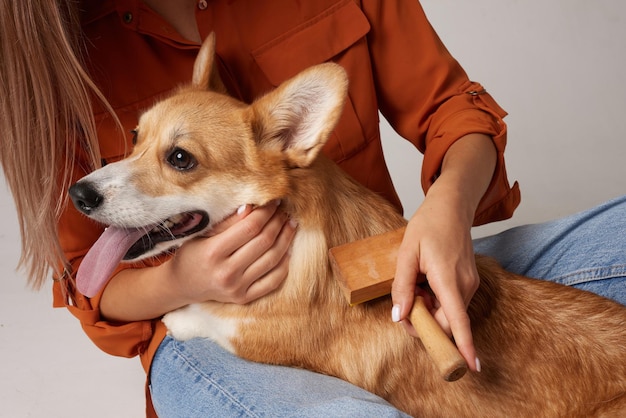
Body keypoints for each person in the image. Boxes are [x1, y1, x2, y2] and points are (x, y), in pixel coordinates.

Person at [1, 0, 623, 416]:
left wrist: (448, 209)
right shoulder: (47, 54)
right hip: (195, 330)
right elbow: (86, 280)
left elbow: (450, 108)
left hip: (382, 265)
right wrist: (183, 280)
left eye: (178, 160)